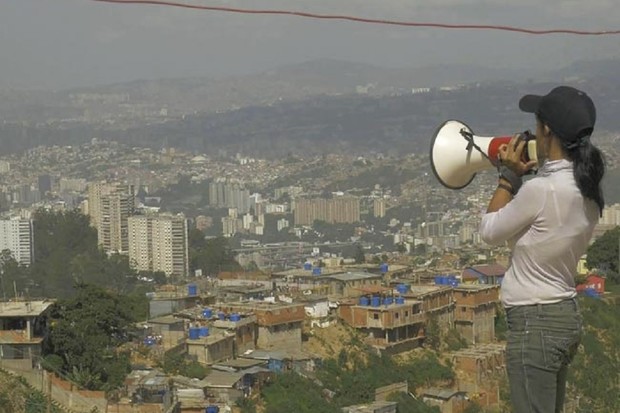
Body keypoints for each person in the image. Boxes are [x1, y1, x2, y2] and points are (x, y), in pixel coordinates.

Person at [479, 86, 605, 413]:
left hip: (535, 322)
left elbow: (489, 231)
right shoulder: (589, 189)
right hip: (563, 316)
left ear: (545, 131)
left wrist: (508, 178)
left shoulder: (542, 191)